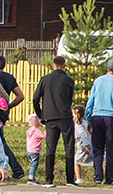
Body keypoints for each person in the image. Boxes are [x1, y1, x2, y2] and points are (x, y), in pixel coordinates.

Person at [32, 56, 76, 187]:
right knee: (69, 146)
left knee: (50, 148)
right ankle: (70, 179)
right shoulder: (69, 80)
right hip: (65, 116)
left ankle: (48, 179)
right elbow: (69, 98)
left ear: (52, 65)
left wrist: (40, 114)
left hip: (49, 117)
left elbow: (35, 98)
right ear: (65, 65)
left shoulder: (45, 79)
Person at [85, 58, 113, 185]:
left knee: (98, 149)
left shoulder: (98, 80)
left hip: (97, 117)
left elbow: (90, 102)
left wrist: (89, 119)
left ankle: (98, 176)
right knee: (111, 149)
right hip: (111, 118)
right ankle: (110, 179)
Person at [0, 55, 26, 179]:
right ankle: (15, 169)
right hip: (3, 114)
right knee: (0, 141)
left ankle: (16, 169)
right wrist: (8, 106)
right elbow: (20, 96)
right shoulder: (9, 77)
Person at [25, 113, 46, 185]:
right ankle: (31, 178)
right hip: (35, 150)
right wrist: (49, 129)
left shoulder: (29, 130)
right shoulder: (37, 131)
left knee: (32, 164)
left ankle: (32, 178)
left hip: (29, 150)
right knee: (34, 164)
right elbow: (44, 135)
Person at [73, 105, 90, 185]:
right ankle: (100, 176)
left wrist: (85, 145)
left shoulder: (78, 125)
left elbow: (83, 135)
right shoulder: (86, 122)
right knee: (95, 161)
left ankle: (79, 178)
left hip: (84, 146)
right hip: (91, 143)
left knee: (76, 161)